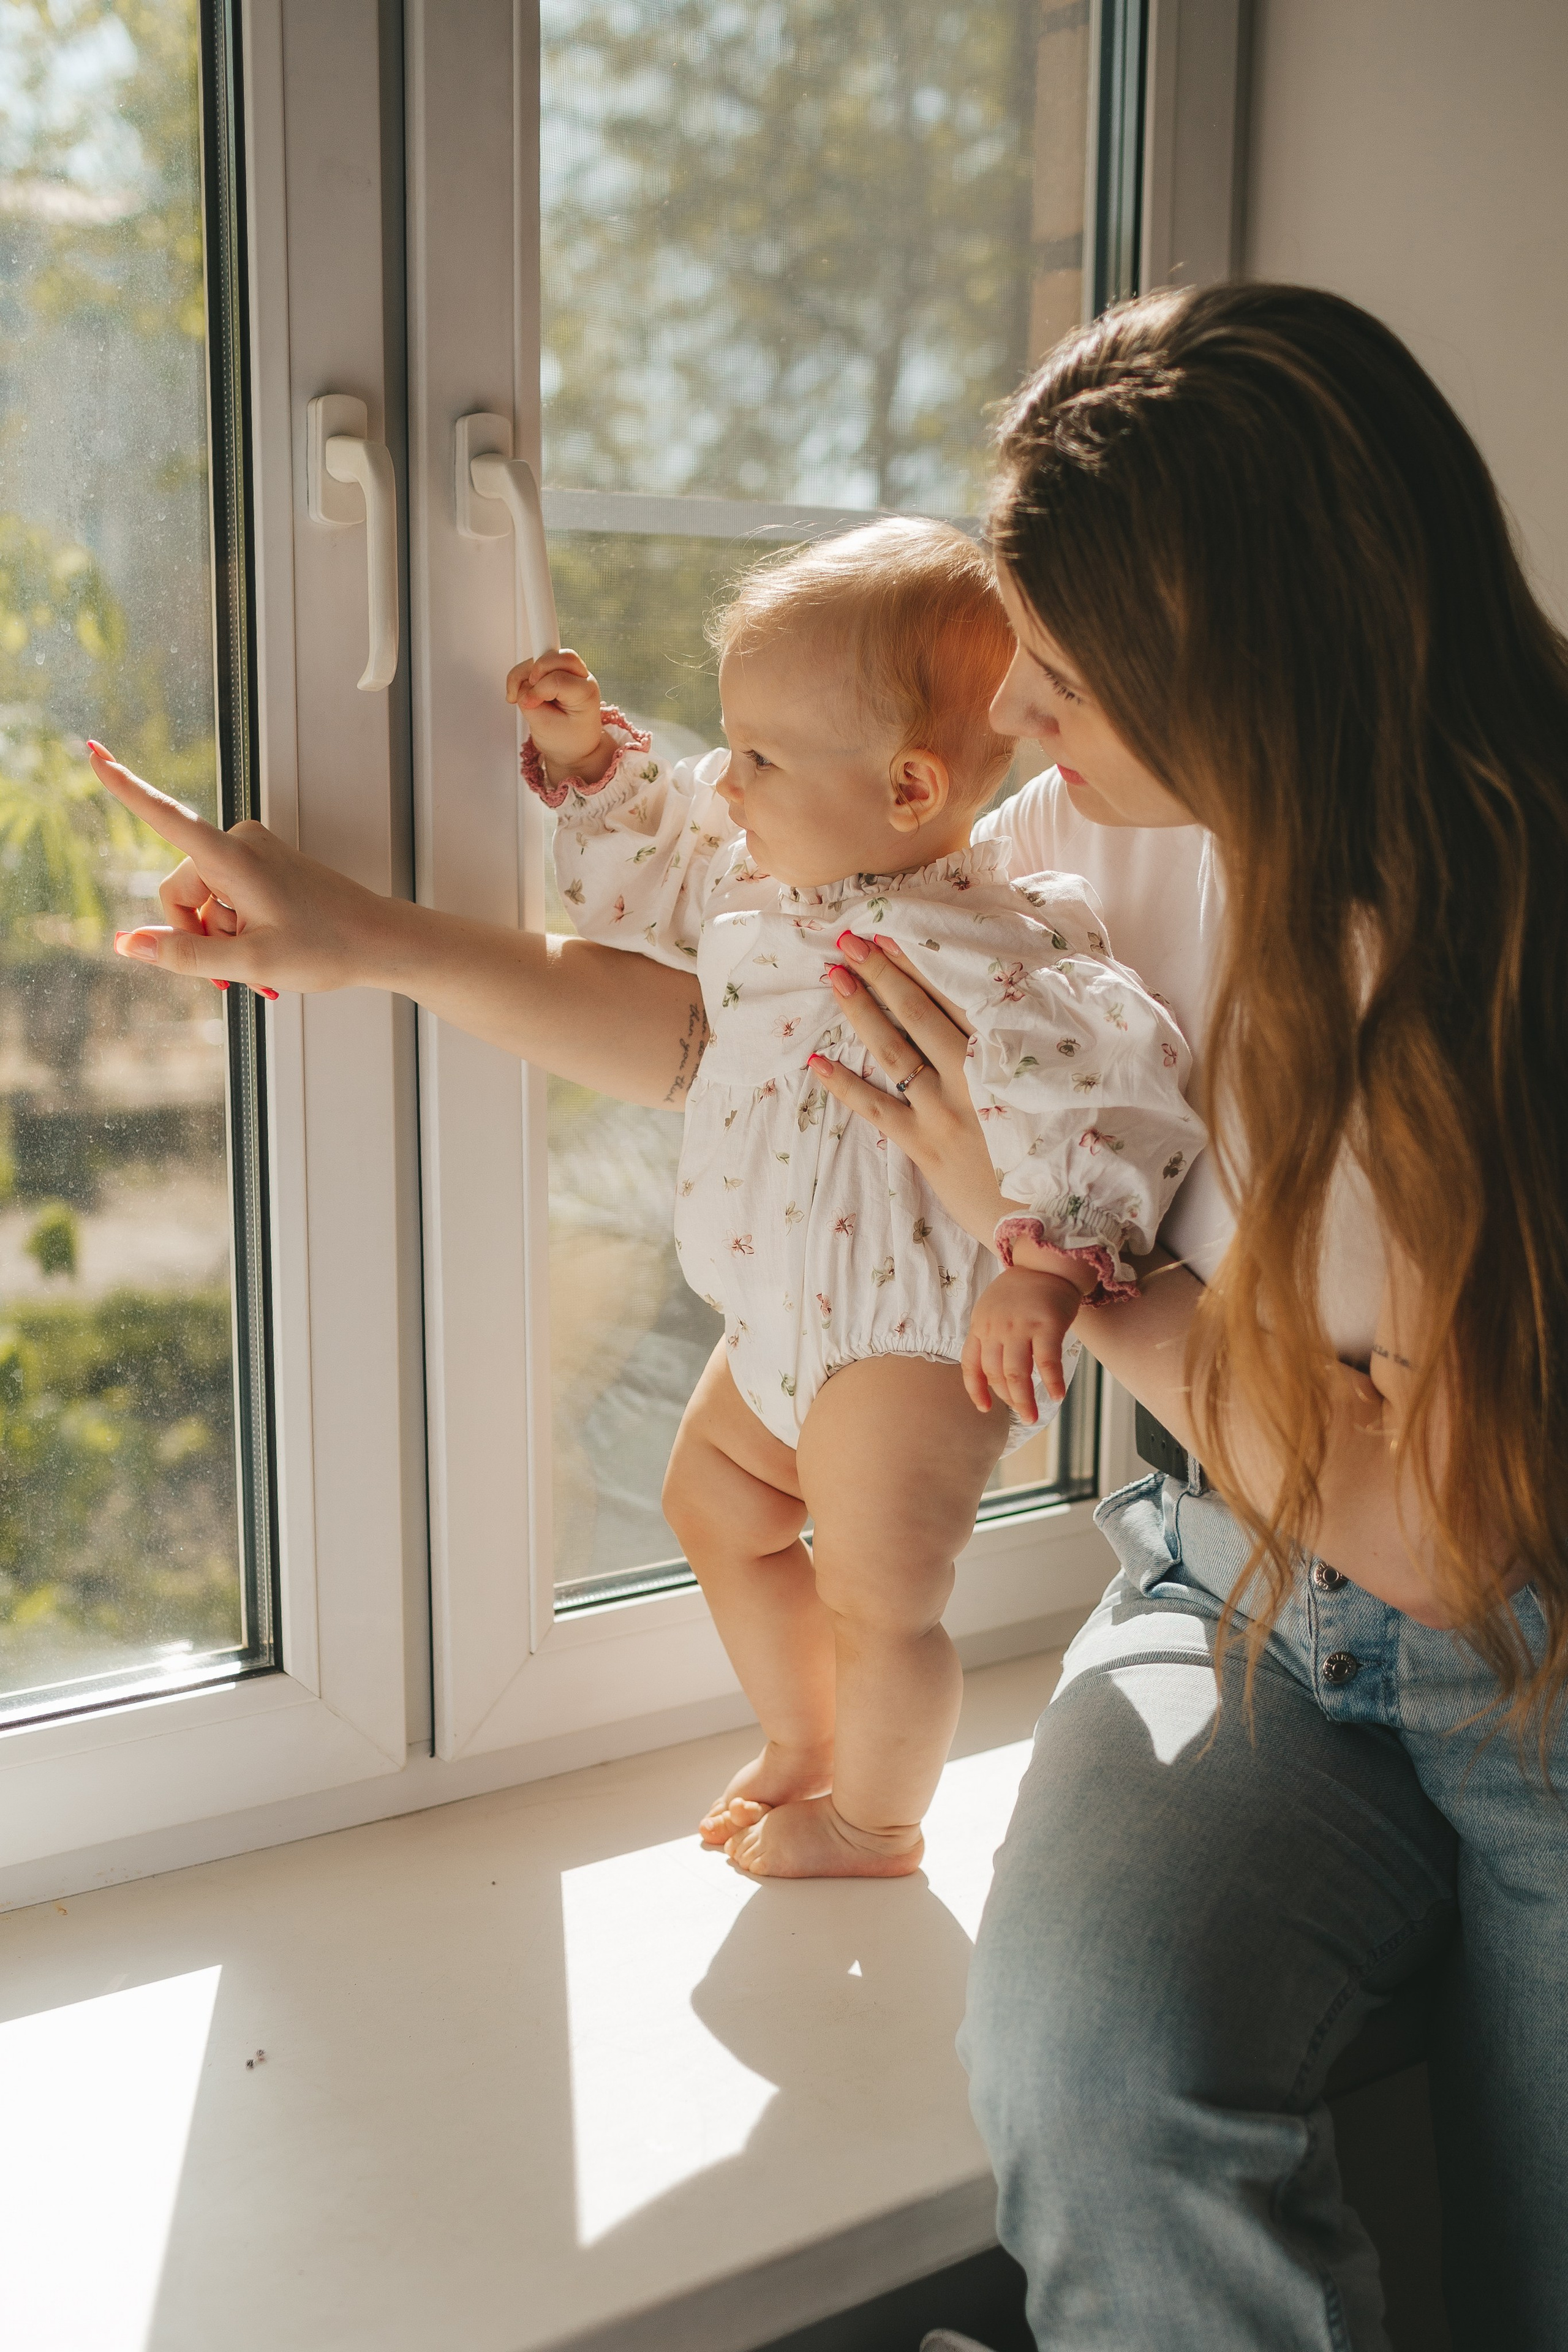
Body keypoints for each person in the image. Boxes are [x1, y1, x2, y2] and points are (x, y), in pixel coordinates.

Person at [85, 277, 1567, 2344]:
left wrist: (1052, 1261)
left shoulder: (1497, 957)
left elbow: (1449, 1534)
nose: (1017, 729)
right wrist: (367, 941)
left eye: (1062, 678)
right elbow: (742, 1023)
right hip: (1240, 1592)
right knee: (1095, 2083)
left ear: (1240, 666)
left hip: (1524, 1657)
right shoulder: (1080, 843)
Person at [508, 516, 1201, 1879]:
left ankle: (876, 1825)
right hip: (774, 1317)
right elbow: (652, 881)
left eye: (758, 755)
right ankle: (804, 1739)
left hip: (913, 1332)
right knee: (712, 1503)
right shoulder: (762, 884)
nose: (727, 780)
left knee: (882, 1602)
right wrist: (592, 764)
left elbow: (1117, 1090)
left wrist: (1044, 1262)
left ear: (905, 787)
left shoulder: (995, 944)